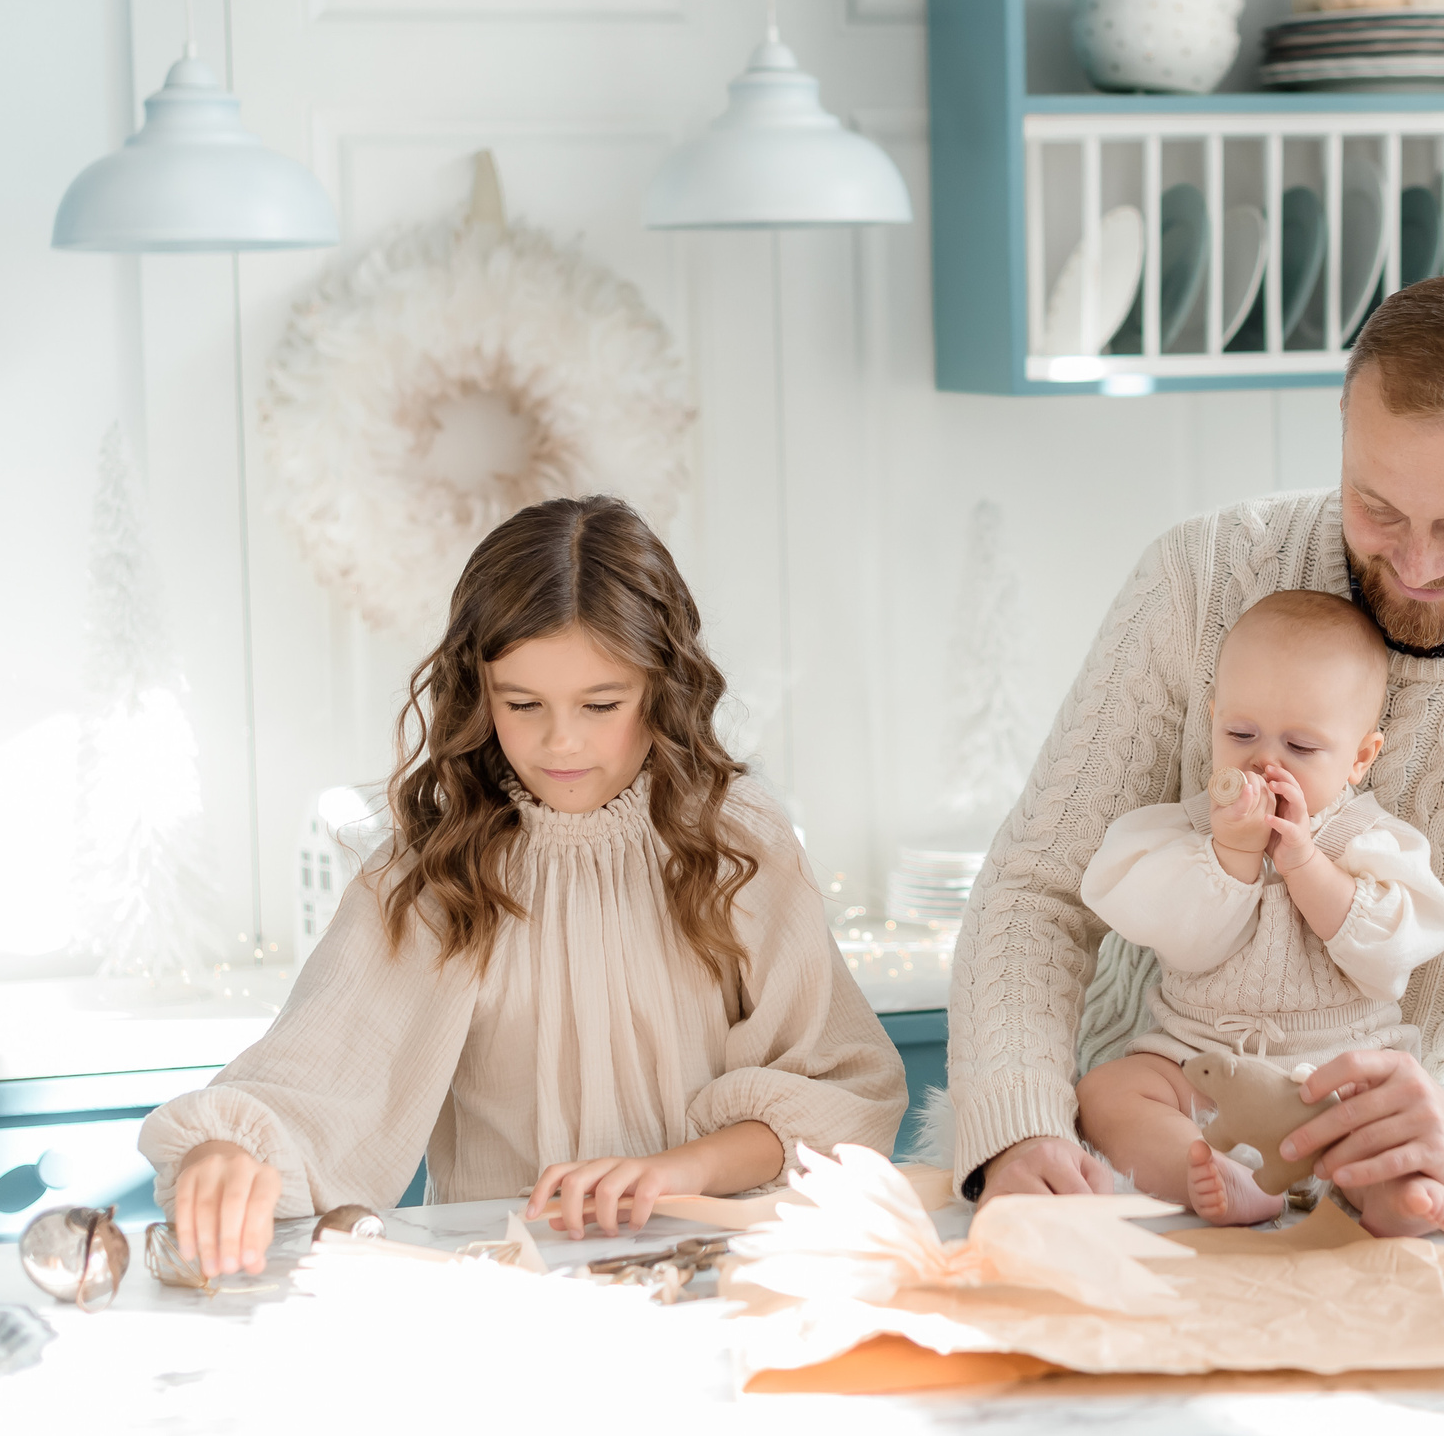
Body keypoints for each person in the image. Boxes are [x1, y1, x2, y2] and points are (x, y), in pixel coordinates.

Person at [947, 269, 1444, 1235]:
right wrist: (1019, 1123)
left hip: (1388, 1182)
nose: (1416, 563)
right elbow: (1036, 889)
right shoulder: (1203, 574)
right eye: (1378, 506)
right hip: (1122, 1163)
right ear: (1345, 427)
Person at [140, 496, 905, 1276]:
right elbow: (320, 1076)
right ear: (479, 692)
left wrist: (679, 1170)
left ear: (663, 687)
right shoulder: (438, 867)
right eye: (523, 703)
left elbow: (844, 1093)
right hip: (507, 1296)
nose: (560, 740)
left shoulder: (737, 842)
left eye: (601, 704)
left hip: (719, 1281)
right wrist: (228, 1148)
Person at [1073, 588, 1444, 1226]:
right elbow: (1185, 938)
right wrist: (1231, 853)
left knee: (1390, 1119)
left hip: (1333, 1072)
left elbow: (1389, 953)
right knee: (1109, 1092)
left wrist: (1305, 863)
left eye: (1302, 748)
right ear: (1212, 719)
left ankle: (1398, 1195)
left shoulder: (1370, 842)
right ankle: (1206, 1169)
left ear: (1360, 757)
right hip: (1198, 1061)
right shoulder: (1187, 833)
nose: (1265, 761)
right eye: (1241, 733)